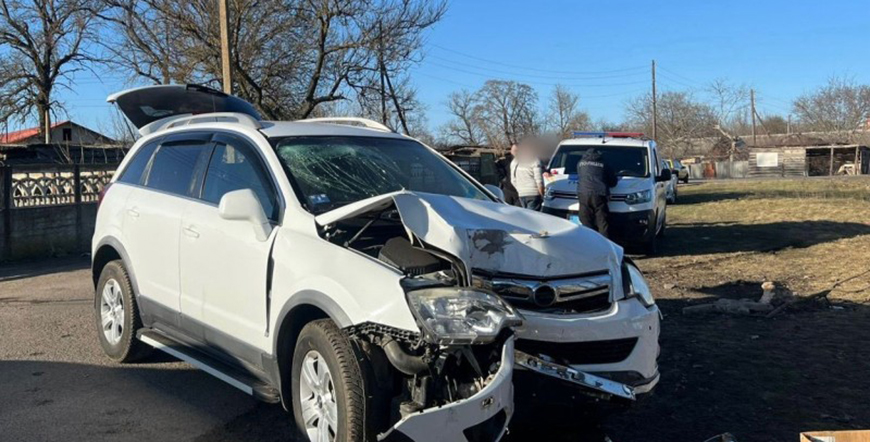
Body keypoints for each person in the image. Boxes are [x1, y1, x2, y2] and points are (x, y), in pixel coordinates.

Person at [576, 148, 617, 237]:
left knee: (585, 218)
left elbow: (580, 176)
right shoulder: (603, 164)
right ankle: (604, 243)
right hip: (599, 194)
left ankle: (589, 239)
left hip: (583, 193)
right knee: (602, 220)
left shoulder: (580, 163)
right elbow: (613, 181)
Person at [510, 141, 544, 210]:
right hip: (533, 193)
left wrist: (520, 189)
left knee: (527, 215)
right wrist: (542, 194)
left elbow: (513, 180)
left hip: (521, 194)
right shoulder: (535, 160)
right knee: (533, 216)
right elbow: (539, 181)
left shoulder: (515, 161)